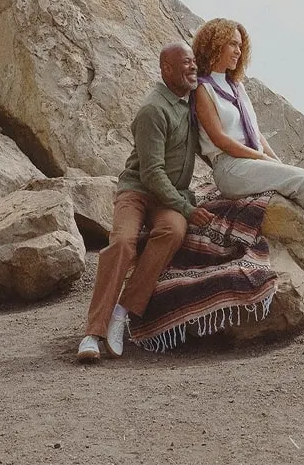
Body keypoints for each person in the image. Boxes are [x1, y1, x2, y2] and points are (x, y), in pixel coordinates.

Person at [77, 42, 215, 361]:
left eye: (194, 62)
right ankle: (92, 333)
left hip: (170, 196)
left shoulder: (192, 104)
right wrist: (187, 209)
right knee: (122, 243)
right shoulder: (153, 109)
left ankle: (122, 311)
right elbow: (151, 173)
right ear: (166, 69)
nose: (193, 67)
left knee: (173, 231)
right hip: (138, 191)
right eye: (185, 63)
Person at [192, 18, 304, 284]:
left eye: (240, 45)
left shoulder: (237, 87)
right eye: (232, 44)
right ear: (215, 45)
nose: (238, 51)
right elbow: (220, 139)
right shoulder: (203, 89)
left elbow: (256, 133)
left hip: (251, 162)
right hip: (230, 168)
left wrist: (276, 162)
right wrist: (260, 157)